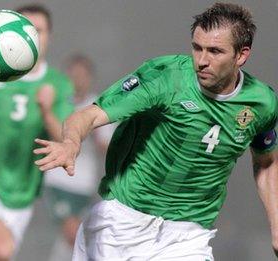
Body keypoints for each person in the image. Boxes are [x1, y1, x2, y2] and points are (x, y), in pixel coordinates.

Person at [34, 2, 278, 260]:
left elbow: (266, 162)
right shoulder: (164, 77)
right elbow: (88, 115)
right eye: (197, 48)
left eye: (215, 51)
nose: (202, 61)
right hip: (122, 224)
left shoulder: (261, 102)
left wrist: (276, 225)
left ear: (241, 55)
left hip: (187, 235)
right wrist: (71, 143)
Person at [0, 3, 74, 261]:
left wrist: (47, 110)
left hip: (22, 191)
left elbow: (64, 139)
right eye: (24, 30)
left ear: (48, 36)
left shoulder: (57, 84)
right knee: (2, 248)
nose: (30, 37)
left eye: (38, 31)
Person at [43, 54, 114, 261]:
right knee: (72, 234)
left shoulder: (99, 108)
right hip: (59, 181)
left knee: (79, 239)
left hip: (84, 186)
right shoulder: (57, 105)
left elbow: (107, 148)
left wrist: (97, 134)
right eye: (73, 75)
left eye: (82, 75)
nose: (77, 79)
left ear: (90, 77)